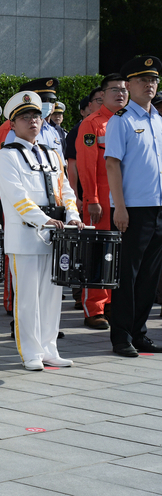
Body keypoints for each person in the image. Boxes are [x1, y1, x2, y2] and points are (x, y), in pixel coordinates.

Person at [0, 90, 82, 370]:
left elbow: (65, 189)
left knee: (52, 296)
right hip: (27, 235)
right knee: (28, 298)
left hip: (56, 235)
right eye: (24, 117)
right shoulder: (7, 156)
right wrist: (41, 219)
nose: (32, 121)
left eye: (35, 116)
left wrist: (72, 214)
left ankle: (49, 348)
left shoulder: (52, 154)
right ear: (12, 124)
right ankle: (31, 352)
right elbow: (16, 196)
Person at [105, 55, 162, 358]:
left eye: (153, 80)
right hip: (133, 209)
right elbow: (112, 164)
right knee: (127, 276)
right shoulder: (121, 120)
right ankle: (121, 336)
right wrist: (120, 207)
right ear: (129, 85)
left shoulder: (159, 121)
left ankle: (140, 333)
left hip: (158, 207)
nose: (150, 85)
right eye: (143, 80)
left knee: (150, 277)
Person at [76, 74, 128, 330]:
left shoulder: (129, 120)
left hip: (127, 201)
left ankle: (112, 304)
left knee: (120, 256)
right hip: (102, 202)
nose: (120, 94)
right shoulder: (93, 124)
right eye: (114, 90)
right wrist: (92, 199)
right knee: (99, 254)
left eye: (124, 89)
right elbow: (86, 166)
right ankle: (94, 308)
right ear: (103, 95)